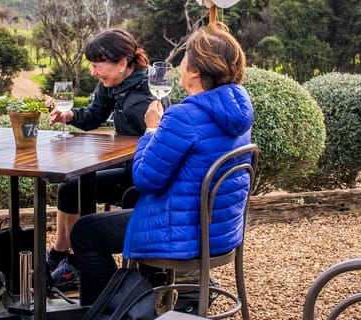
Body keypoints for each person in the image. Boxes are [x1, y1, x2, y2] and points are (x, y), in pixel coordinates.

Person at [69, 21, 254, 306]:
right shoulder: (236, 110)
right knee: (131, 197)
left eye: (185, 57)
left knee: (85, 232)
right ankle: (161, 288)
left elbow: (145, 177)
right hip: (220, 229)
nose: (181, 64)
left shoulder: (184, 116)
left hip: (182, 231)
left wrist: (152, 130)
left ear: (195, 71)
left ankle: (116, 310)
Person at [46, 28, 155, 287]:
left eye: (97, 66)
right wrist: (70, 115)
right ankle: (61, 254)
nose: (93, 72)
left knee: (80, 193)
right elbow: (94, 116)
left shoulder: (147, 96)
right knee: (70, 189)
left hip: (142, 177)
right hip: (127, 167)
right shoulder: (112, 85)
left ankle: (79, 263)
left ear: (122, 63)